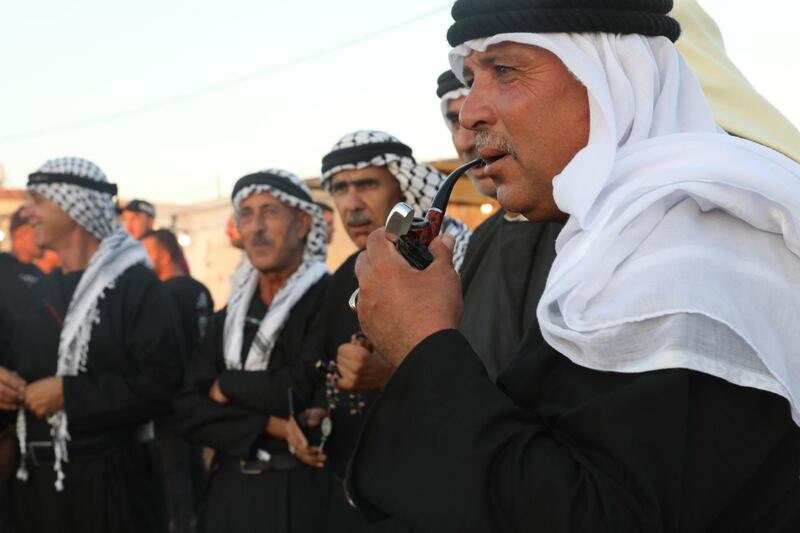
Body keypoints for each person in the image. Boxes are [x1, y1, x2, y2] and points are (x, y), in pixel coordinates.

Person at [345, 1, 800, 530]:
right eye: (470, 77)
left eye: (506, 70)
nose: (469, 113)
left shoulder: (698, 246)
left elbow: (597, 514)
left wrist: (421, 342)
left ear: (610, 78)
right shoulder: (620, 234)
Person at [2, 157, 184, 533]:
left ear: (72, 206)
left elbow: (163, 385)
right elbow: (16, 362)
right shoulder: (39, 293)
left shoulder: (137, 287)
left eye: (39, 201)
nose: (28, 213)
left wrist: (69, 394)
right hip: (37, 488)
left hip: (115, 483)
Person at [175, 169, 332, 532]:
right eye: (246, 214)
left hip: (297, 495)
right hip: (229, 492)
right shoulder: (230, 314)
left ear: (302, 223)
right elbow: (188, 409)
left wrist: (227, 384)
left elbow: (297, 389)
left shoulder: (326, 297)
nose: (257, 227)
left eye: (270, 212)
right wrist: (272, 425)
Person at [438, 70, 564, 381]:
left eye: (487, 112)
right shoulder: (481, 238)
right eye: (456, 121)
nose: (468, 139)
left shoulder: (582, 229)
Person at [141, 228, 214, 533]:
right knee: (195, 464)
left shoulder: (163, 293)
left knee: (174, 470)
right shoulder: (199, 288)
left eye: (147, 251)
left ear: (163, 253)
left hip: (174, 399)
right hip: (200, 394)